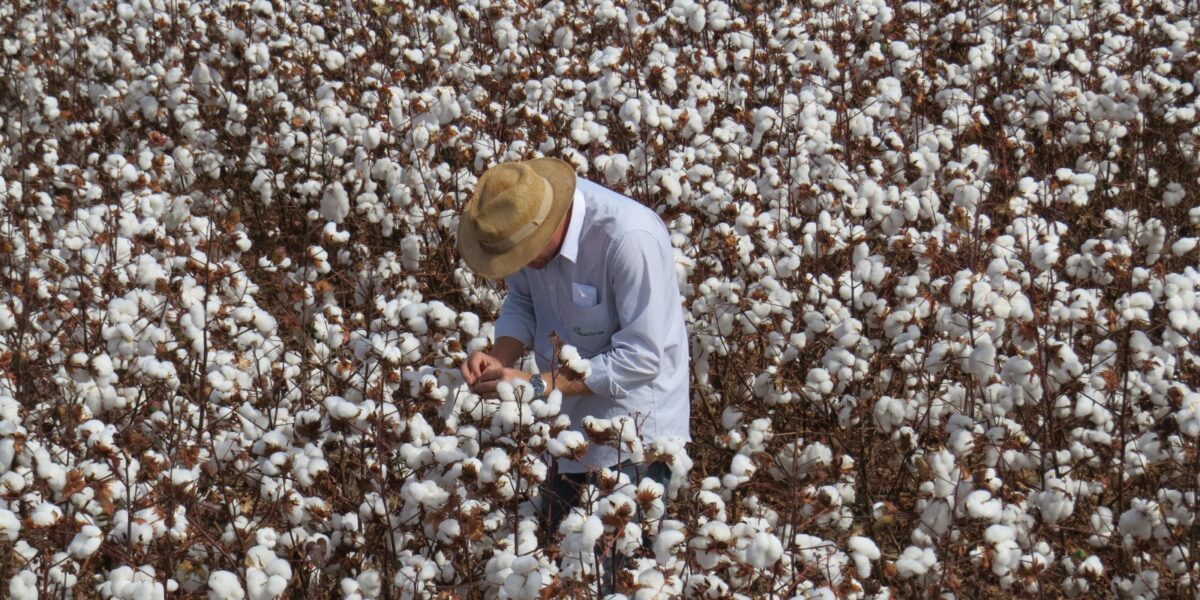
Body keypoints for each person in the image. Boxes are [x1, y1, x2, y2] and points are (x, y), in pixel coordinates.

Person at [455, 157, 690, 534]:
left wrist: (535, 385)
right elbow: (523, 301)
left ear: (547, 222)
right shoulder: (519, 222)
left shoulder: (628, 238)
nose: (520, 264)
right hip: (566, 426)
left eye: (522, 253)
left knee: (620, 569)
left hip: (634, 431)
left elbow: (642, 359)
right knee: (559, 557)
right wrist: (499, 361)